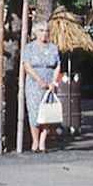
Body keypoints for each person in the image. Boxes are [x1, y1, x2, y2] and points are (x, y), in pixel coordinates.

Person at [21, 23, 62, 152]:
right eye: (41, 30)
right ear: (35, 32)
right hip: (34, 84)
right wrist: (39, 80)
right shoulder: (29, 48)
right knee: (34, 113)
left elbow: (57, 66)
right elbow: (27, 65)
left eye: (46, 31)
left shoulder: (53, 48)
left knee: (47, 113)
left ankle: (43, 142)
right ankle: (35, 141)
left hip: (49, 83)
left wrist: (53, 82)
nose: (44, 33)